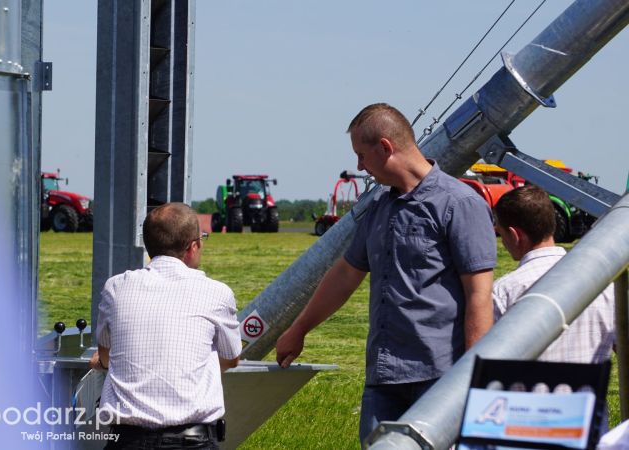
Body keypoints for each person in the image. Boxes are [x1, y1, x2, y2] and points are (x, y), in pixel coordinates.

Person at [275, 103, 497, 444]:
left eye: (362, 155)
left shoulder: (459, 204)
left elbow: (479, 295)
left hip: (440, 378)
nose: (360, 166)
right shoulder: (380, 207)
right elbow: (346, 274)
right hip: (384, 377)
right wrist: (299, 328)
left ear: (385, 148)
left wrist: (470, 376)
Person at [89, 202, 242, 449]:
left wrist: (102, 362)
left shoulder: (116, 287)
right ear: (193, 247)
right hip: (192, 441)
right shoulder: (217, 293)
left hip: (127, 440)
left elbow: (105, 354)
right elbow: (231, 358)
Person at [492, 185, 615, 363]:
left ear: (514, 234)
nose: (503, 242)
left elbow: (491, 364)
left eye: (502, 235)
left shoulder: (503, 292)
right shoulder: (603, 286)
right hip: (590, 389)